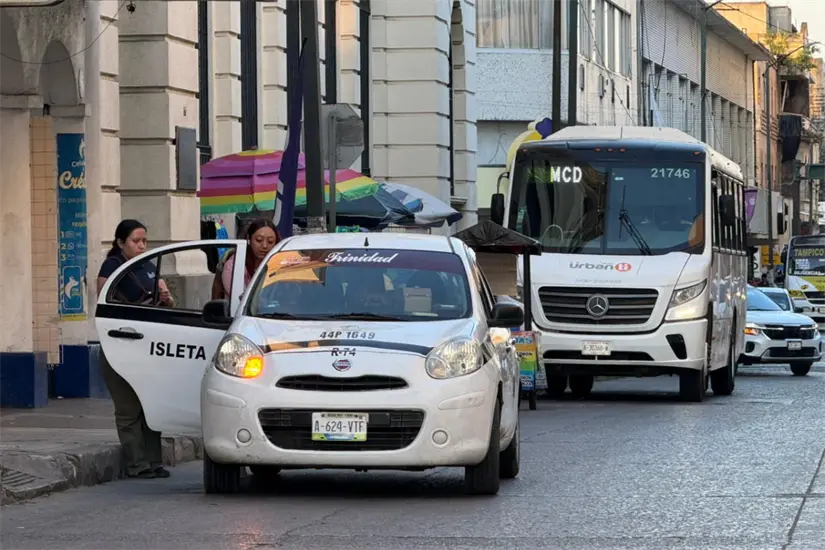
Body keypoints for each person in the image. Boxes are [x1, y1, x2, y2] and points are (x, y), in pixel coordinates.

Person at [96, 219, 174, 479]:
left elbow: (169, 302)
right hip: (121, 346)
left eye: (144, 241)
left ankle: (154, 461)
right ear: (120, 243)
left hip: (148, 347)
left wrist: (166, 299)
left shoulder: (148, 266)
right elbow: (105, 303)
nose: (142, 246)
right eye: (135, 241)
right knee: (129, 409)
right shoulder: (113, 267)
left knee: (150, 406)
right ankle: (137, 464)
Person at [217, 218, 281, 297]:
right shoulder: (234, 265)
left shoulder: (281, 266)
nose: (264, 246)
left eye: (270, 241)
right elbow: (241, 299)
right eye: (259, 240)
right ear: (249, 239)